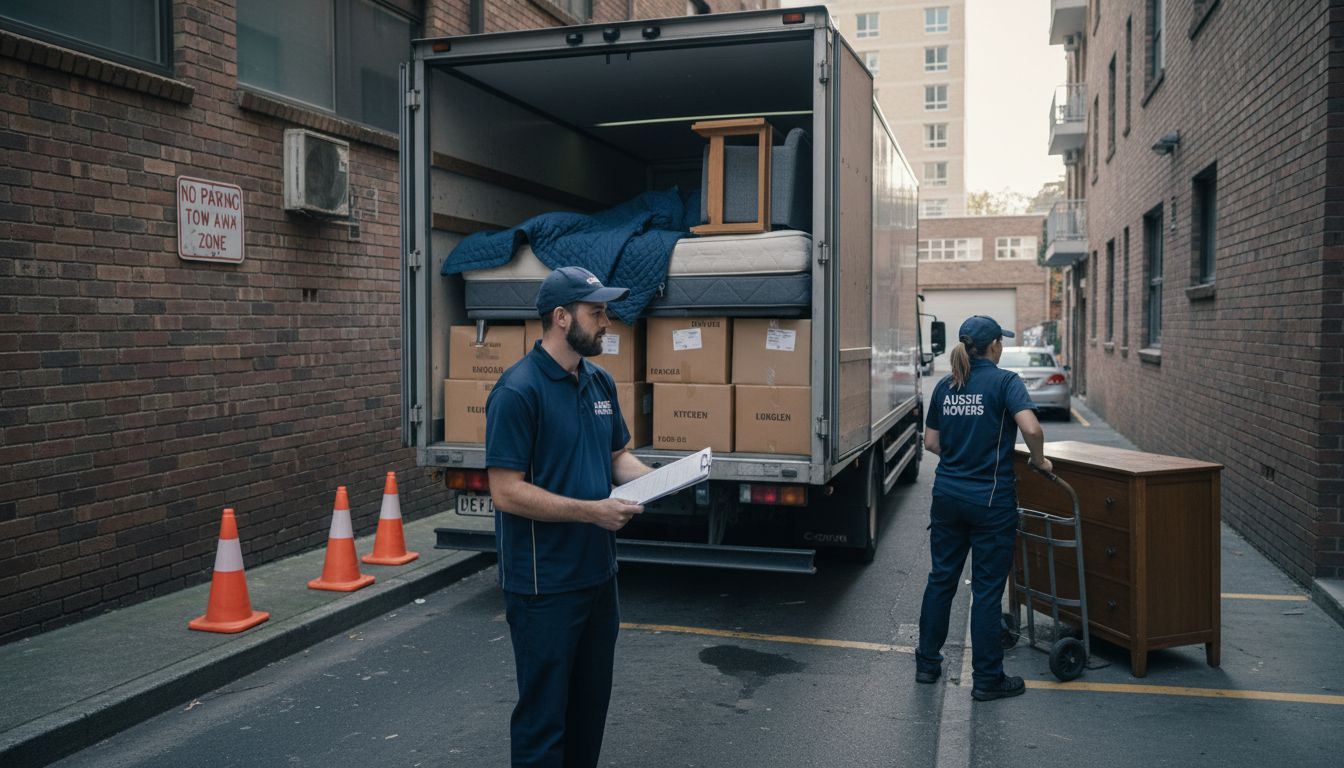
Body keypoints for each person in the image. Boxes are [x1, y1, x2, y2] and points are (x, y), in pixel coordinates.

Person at [485, 265, 653, 767]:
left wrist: (662, 480)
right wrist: (591, 512)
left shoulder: (599, 382)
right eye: (596, 312)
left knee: (587, 714)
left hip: (598, 577)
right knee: (544, 722)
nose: (607, 322)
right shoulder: (518, 391)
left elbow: (616, 457)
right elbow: (505, 491)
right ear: (561, 317)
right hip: (544, 586)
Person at [915, 315, 1052, 702]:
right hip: (990, 501)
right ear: (993, 346)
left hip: (947, 497)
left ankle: (927, 664)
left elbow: (931, 443)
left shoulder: (946, 385)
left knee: (942, 580)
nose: (1002, 347)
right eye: (1001, 342)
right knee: (988, 591)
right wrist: (1039, 460)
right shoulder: (1005, 382)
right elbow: (1031, 428)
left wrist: (960, 455)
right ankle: (988, 679)